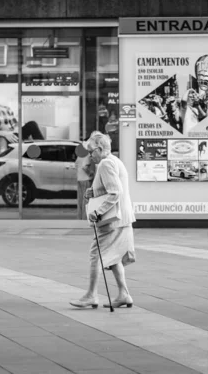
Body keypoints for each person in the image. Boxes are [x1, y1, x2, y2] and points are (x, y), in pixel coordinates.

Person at [70, 131, 136, 309]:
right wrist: (94, 192)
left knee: (96, 254)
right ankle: (124, 294)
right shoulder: (114, 161)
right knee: (113, 257)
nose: (90, 156)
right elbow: (110, 188)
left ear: (99, 149)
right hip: (122, 218)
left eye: (91, 152)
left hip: (113, 221)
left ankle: (91, 295)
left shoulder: (106, 164)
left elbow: (115, 192)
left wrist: (98, 212)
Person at [0, 85, 44, 152]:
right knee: (3, 128)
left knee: (32, 124)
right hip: (0, 138)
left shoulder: (6, 109)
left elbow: (16, 124)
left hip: (13, 135)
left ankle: (44, 149)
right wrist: (5, 133)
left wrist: (14, 132)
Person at [76, 140, 96, 220]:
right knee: (86, 200)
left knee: (80, 201)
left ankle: (80, 218)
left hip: (79, 179)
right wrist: (90, 174)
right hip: (86, 179)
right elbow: (85, 166)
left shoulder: (79, 155)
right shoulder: (87, 155)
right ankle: (85, 218)